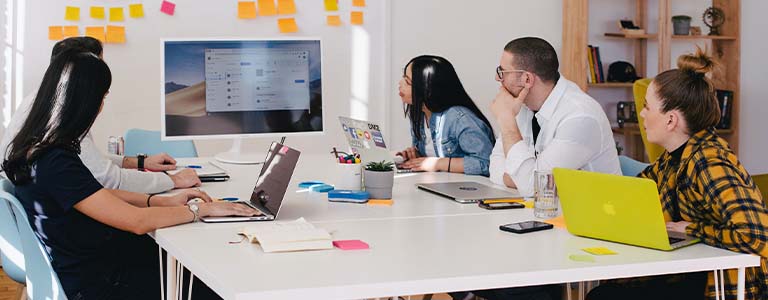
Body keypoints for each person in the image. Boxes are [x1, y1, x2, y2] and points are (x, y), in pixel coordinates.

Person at [2, 49, 259, 299]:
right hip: (101, 283)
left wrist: (158, 201)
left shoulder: (37, 148)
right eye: (102, 97)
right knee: (214, 284)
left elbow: (95, 195)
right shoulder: (54, 160)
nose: (102, 106)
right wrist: (200, 211)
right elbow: (137, 222)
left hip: (100, 265)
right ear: (86, 101)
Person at [587, 49, 768, 300]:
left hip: (718, 286)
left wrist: (693, 229)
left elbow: (757, 236)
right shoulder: (674, 157)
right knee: (605, 293)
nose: (642, 114)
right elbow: (640, 190)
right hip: (690, 273)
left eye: (647, 107)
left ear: (671, 120)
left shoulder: (709, 162)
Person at [0, 37, 200, 194]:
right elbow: (108, 180)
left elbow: (87, 161)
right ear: (80, 74)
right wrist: (173, 181)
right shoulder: (61, 117)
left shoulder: (41, 102)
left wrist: (139, 162)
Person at [488, 37, 621, 196]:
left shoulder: (580, 117)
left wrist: (507, 122)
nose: (498, 78)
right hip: (550, 212)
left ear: (527, 79)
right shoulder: (521, 105)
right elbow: (495, 166)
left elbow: (535, 187)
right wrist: (522, 179)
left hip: (595, 217)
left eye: (502, 72)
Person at [395, 55, 495, 176]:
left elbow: (486, 163)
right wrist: (417, 156)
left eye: (407, 82)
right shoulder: (420, 114)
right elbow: (433, 155)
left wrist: (437, 163)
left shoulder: (459, 118)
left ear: (428, 89)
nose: (400, 84)